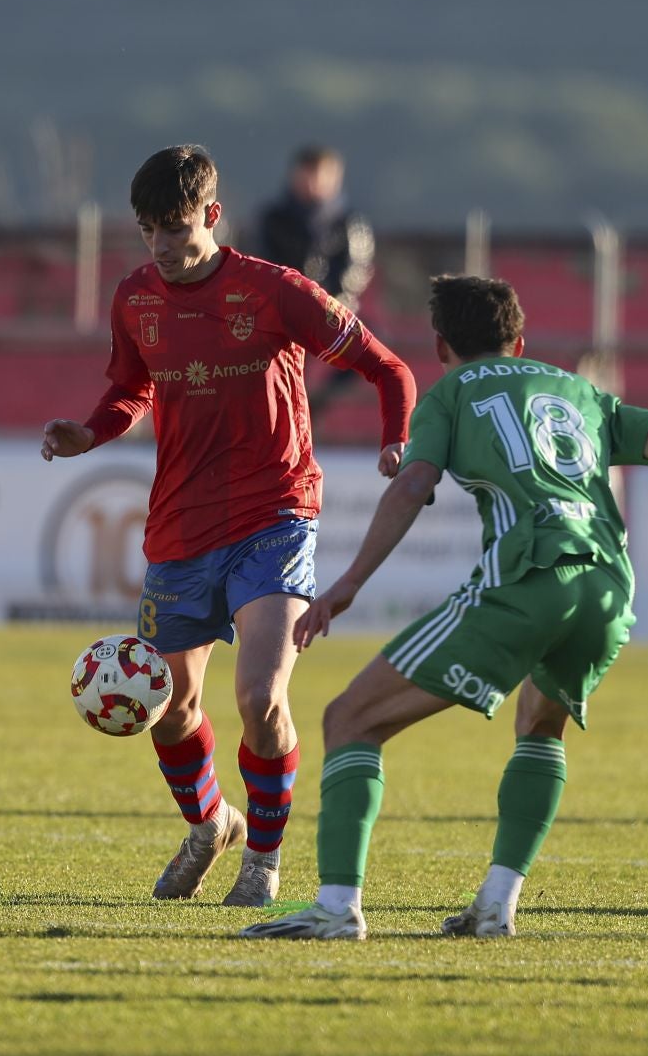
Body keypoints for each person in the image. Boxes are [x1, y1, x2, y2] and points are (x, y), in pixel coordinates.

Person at [240, 275, 648, 941]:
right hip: (607, 587)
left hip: (529, 576)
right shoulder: (581, 392)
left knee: (350, 719)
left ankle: (337, 907)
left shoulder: (449, 393)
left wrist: (349, 583)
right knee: (540, 727)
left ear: (440, 346)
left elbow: (413, 484)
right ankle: (495, 904)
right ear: (519, 340)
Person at [42, 144, 414, 907]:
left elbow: (389, 368)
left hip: (275, 514)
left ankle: (264, 863)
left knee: (259, 699)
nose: (166, 250)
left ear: (212, 216)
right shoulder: (136, 299)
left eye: (178, 231)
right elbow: (128, 389)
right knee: (168, 710)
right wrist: (89, 433)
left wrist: (396, 438)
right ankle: (214, 825)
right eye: (151, 233)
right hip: (180, 527)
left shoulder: (275, 291)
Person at [254, 145, 376, 410]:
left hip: (332, 307)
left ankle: (318, 399)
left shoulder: (349, 223)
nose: (314, 183)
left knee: (374, 341)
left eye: (322, 175)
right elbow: (263, 262)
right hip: (283, 308)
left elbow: (356, 268)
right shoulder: (274, 219)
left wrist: (330, 302)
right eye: (308, 174)